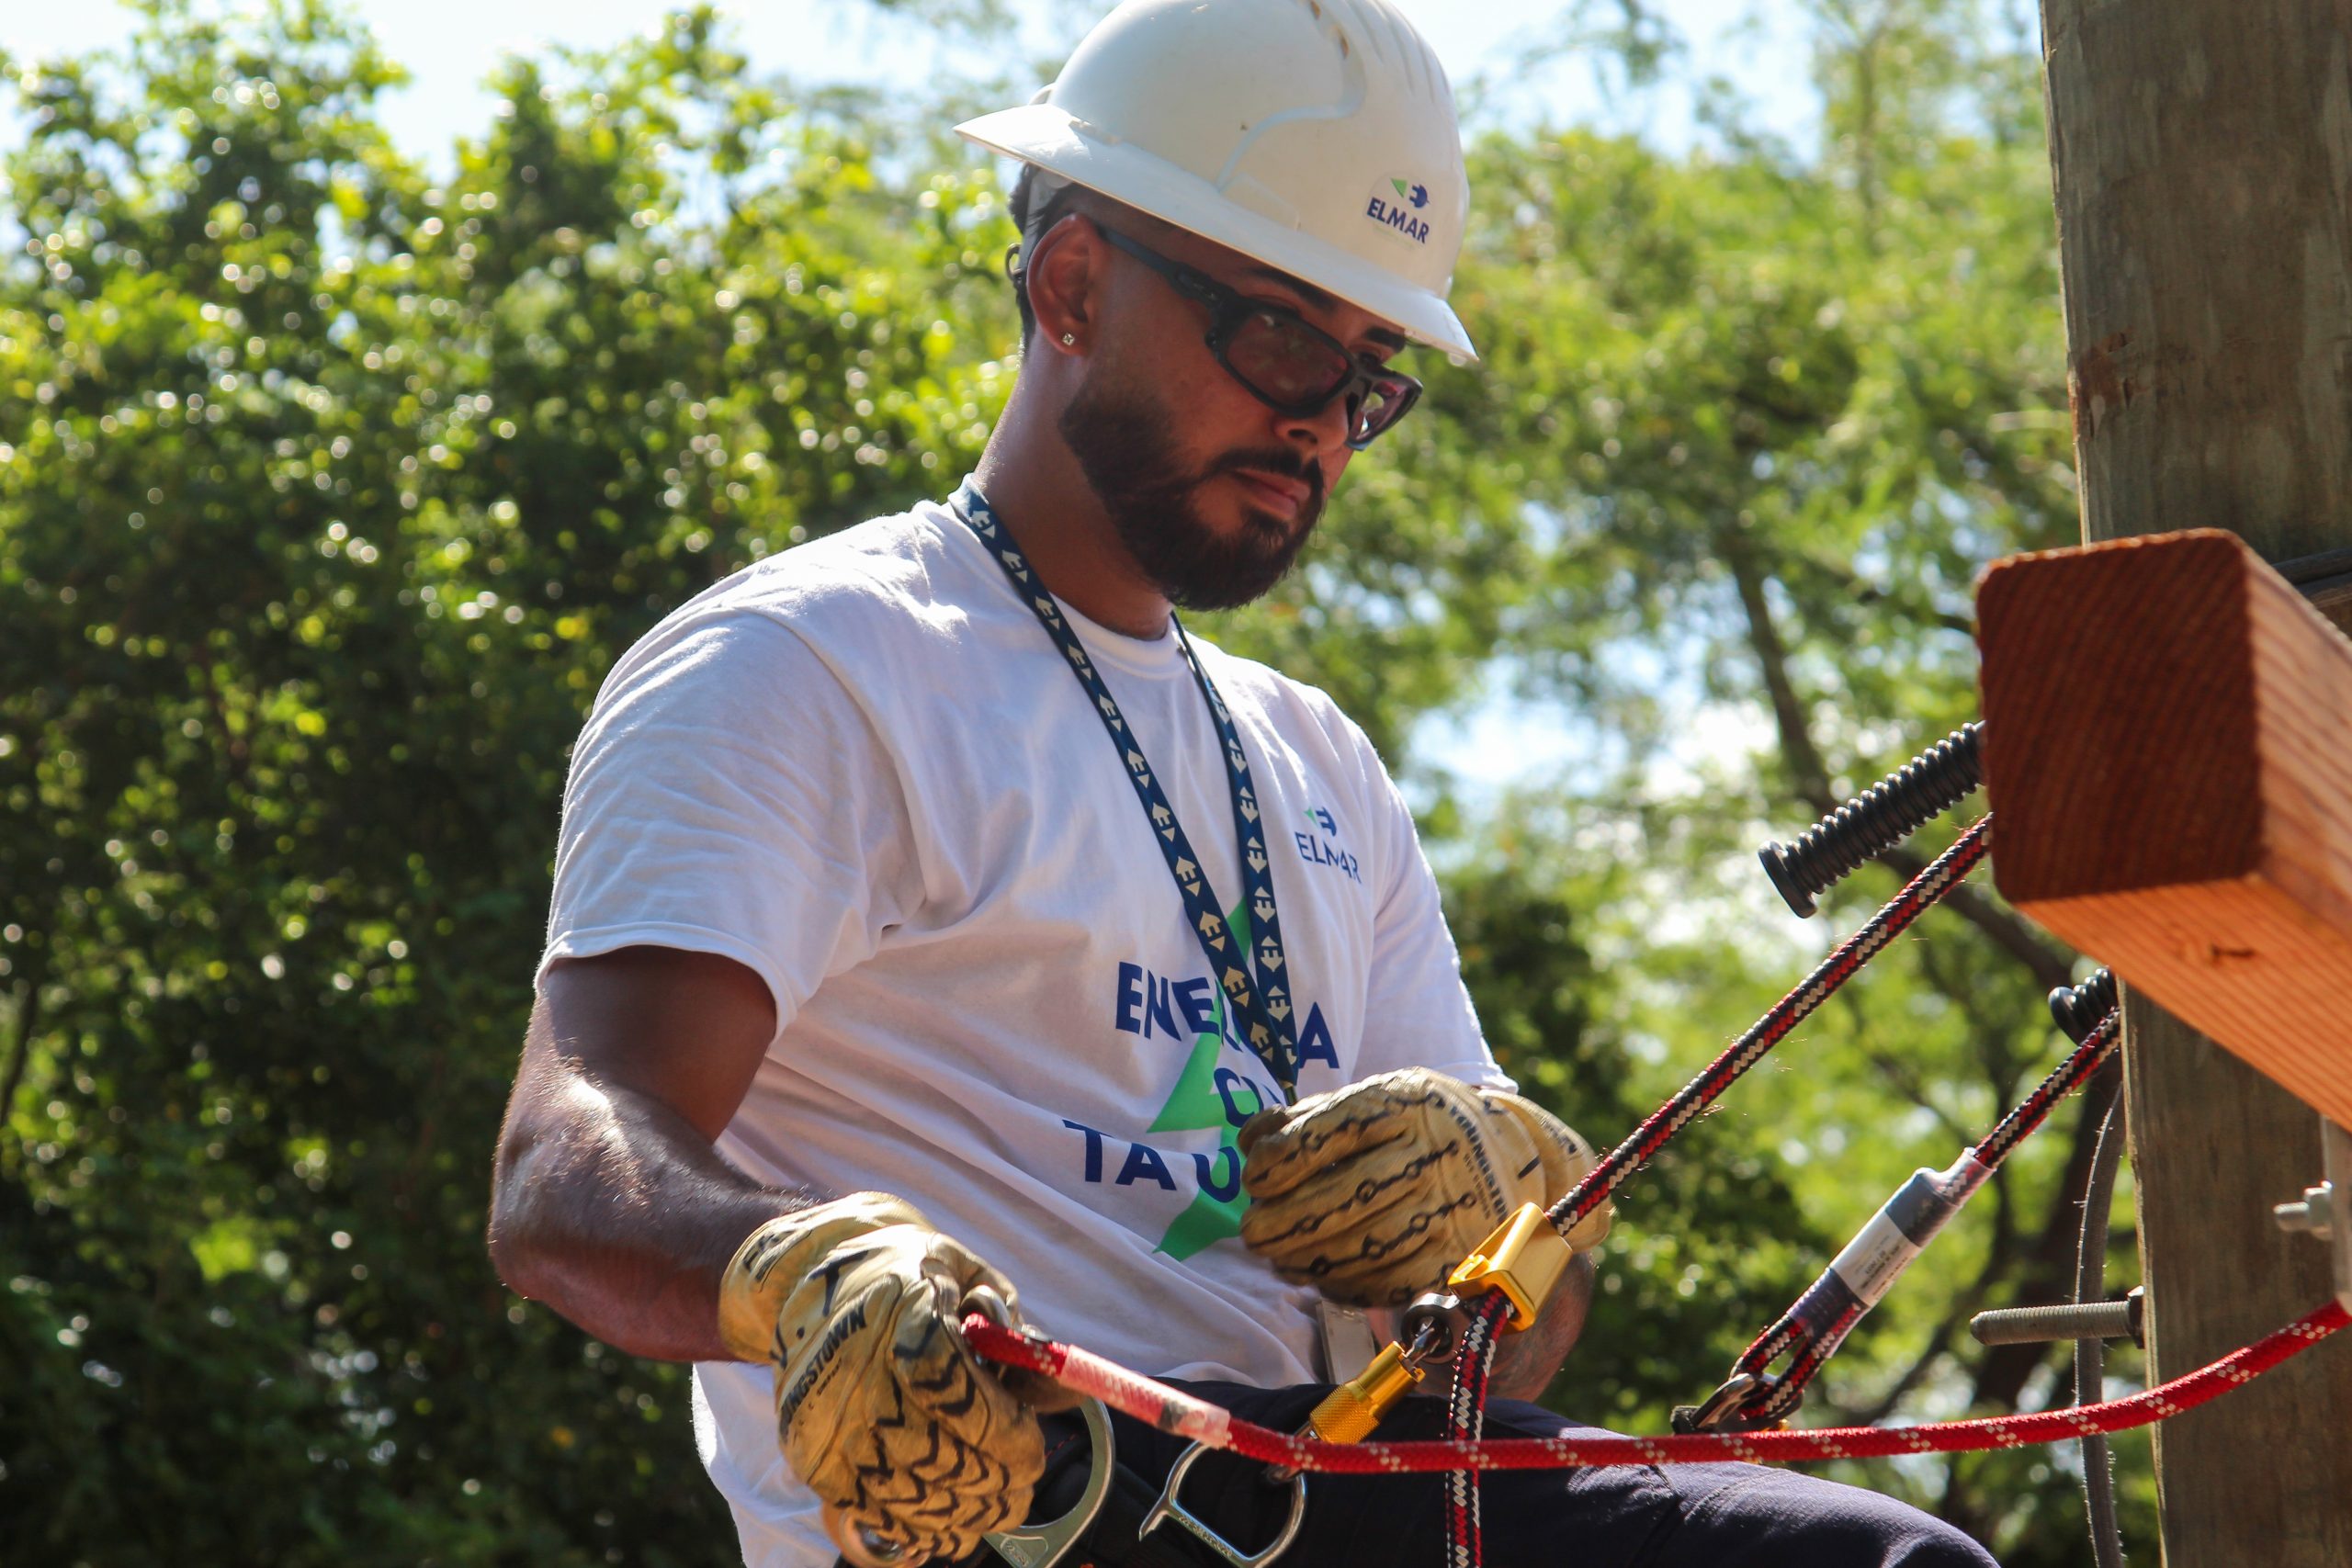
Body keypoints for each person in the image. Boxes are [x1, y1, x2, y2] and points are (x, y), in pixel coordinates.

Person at [487, 2, 2002, 1565]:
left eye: (1368, 378)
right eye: (1282, 337)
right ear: (1073, 287)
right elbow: (562, 1176)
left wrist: (1502, 1215)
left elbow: (1523, 1348)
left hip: (1334, 1482)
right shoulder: (811, 666)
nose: (1320, 423)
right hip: (1043, 1505)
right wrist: (791, 1273)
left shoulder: (1315, 761)